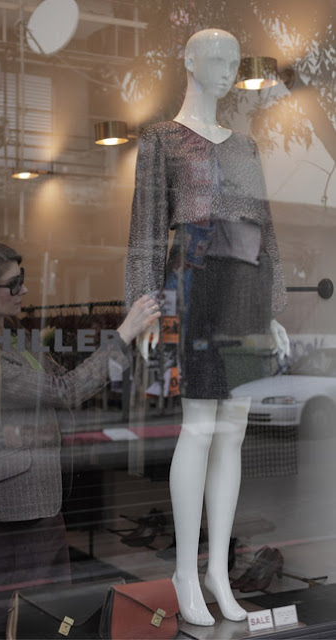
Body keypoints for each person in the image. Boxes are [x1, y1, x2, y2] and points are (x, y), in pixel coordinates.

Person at [126, 29, 290, 626]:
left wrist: (272, 308)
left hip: (245, 286)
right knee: (197, 427)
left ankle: (219, 570)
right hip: (193, 279)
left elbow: (264, 229)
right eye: (216, 58)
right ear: (190, 61)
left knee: (233, 431)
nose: (227, 70)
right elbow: (147, 228)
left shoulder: (246, 145)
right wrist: (143, 304)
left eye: (233, 61)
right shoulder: (162, 139)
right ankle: (184, 571)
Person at [0, 240, 160, 638]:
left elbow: (67, 381)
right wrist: (124, 332)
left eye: (21, 279)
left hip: (38, 488)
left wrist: (119, 345)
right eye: (13, 284)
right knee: (22, 606)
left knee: (46, 600)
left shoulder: (13, 337)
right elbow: (66, 391)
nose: (23, 290)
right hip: (17, 495)